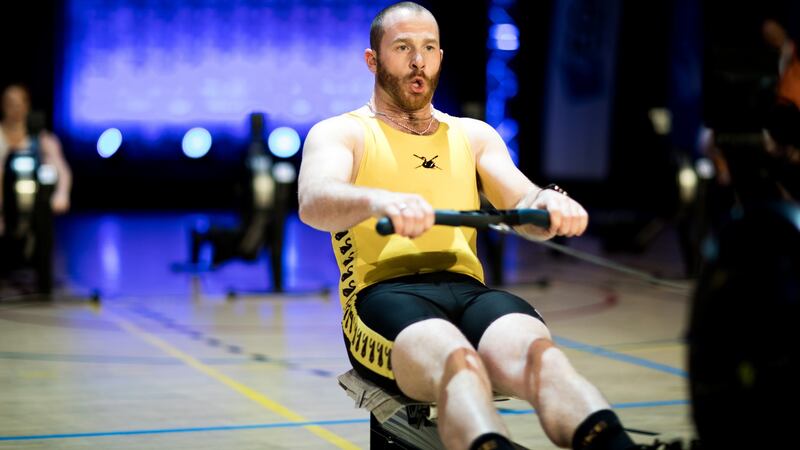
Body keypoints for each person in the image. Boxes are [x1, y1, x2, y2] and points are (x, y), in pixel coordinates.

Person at [298, 3, 644, 449]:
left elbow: (522, 200)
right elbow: (314, 202)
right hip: (384, 296)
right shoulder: (340, 133)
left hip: (467, 292)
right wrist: (380, 200)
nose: (418, 61)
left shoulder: (473, 134)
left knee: (543, 359)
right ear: (373, 60)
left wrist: (550, 205)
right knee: (457, 362)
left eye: (427, 49)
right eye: (403, 48)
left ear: (441, 56)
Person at [0, 83, 72, 236]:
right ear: (3, 105)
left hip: (35, 205)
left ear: (27, 105)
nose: (16, 109)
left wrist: (61, 194)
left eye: (20, 103)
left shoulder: (42, 139)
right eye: (11, 104)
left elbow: (62, 170)